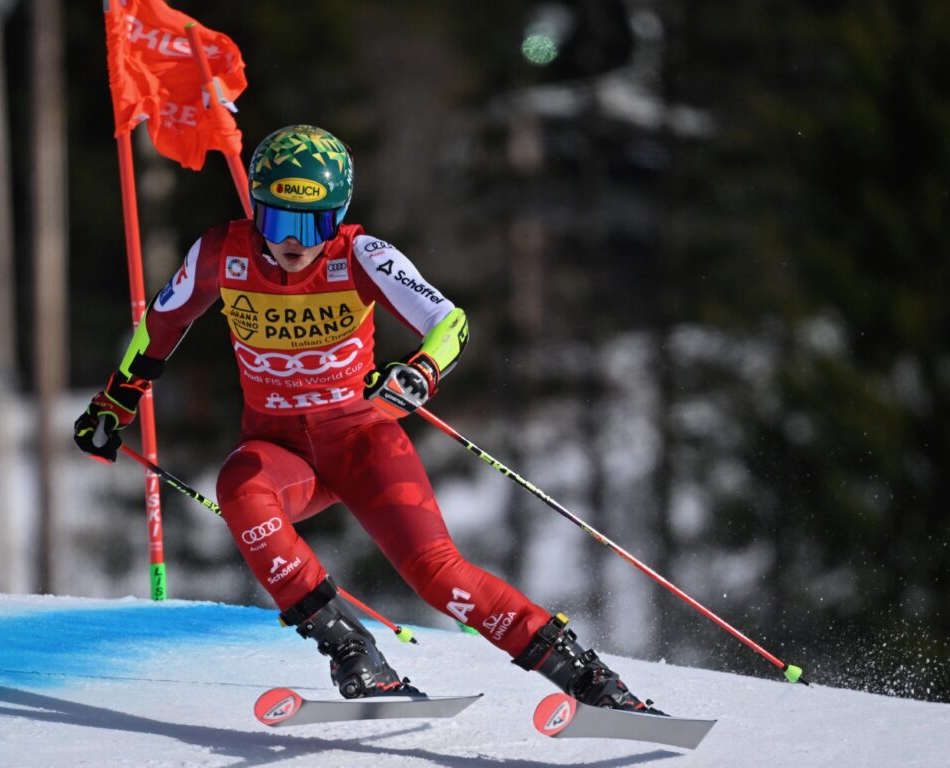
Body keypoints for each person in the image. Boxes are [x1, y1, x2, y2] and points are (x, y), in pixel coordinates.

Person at [75, 124, 659, 711]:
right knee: (240, 487)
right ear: (256, 210)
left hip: (362, 442)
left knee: (440, 578)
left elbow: (449, 323)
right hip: (283, 455)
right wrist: (114, 402)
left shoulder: (361, 254)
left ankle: (591, 681)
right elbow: (161, 324)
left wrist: (420, 372)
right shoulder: (220, 253)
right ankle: (354, 652)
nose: (296, 242)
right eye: (279, 222)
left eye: (316, 223)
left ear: (340, 215)